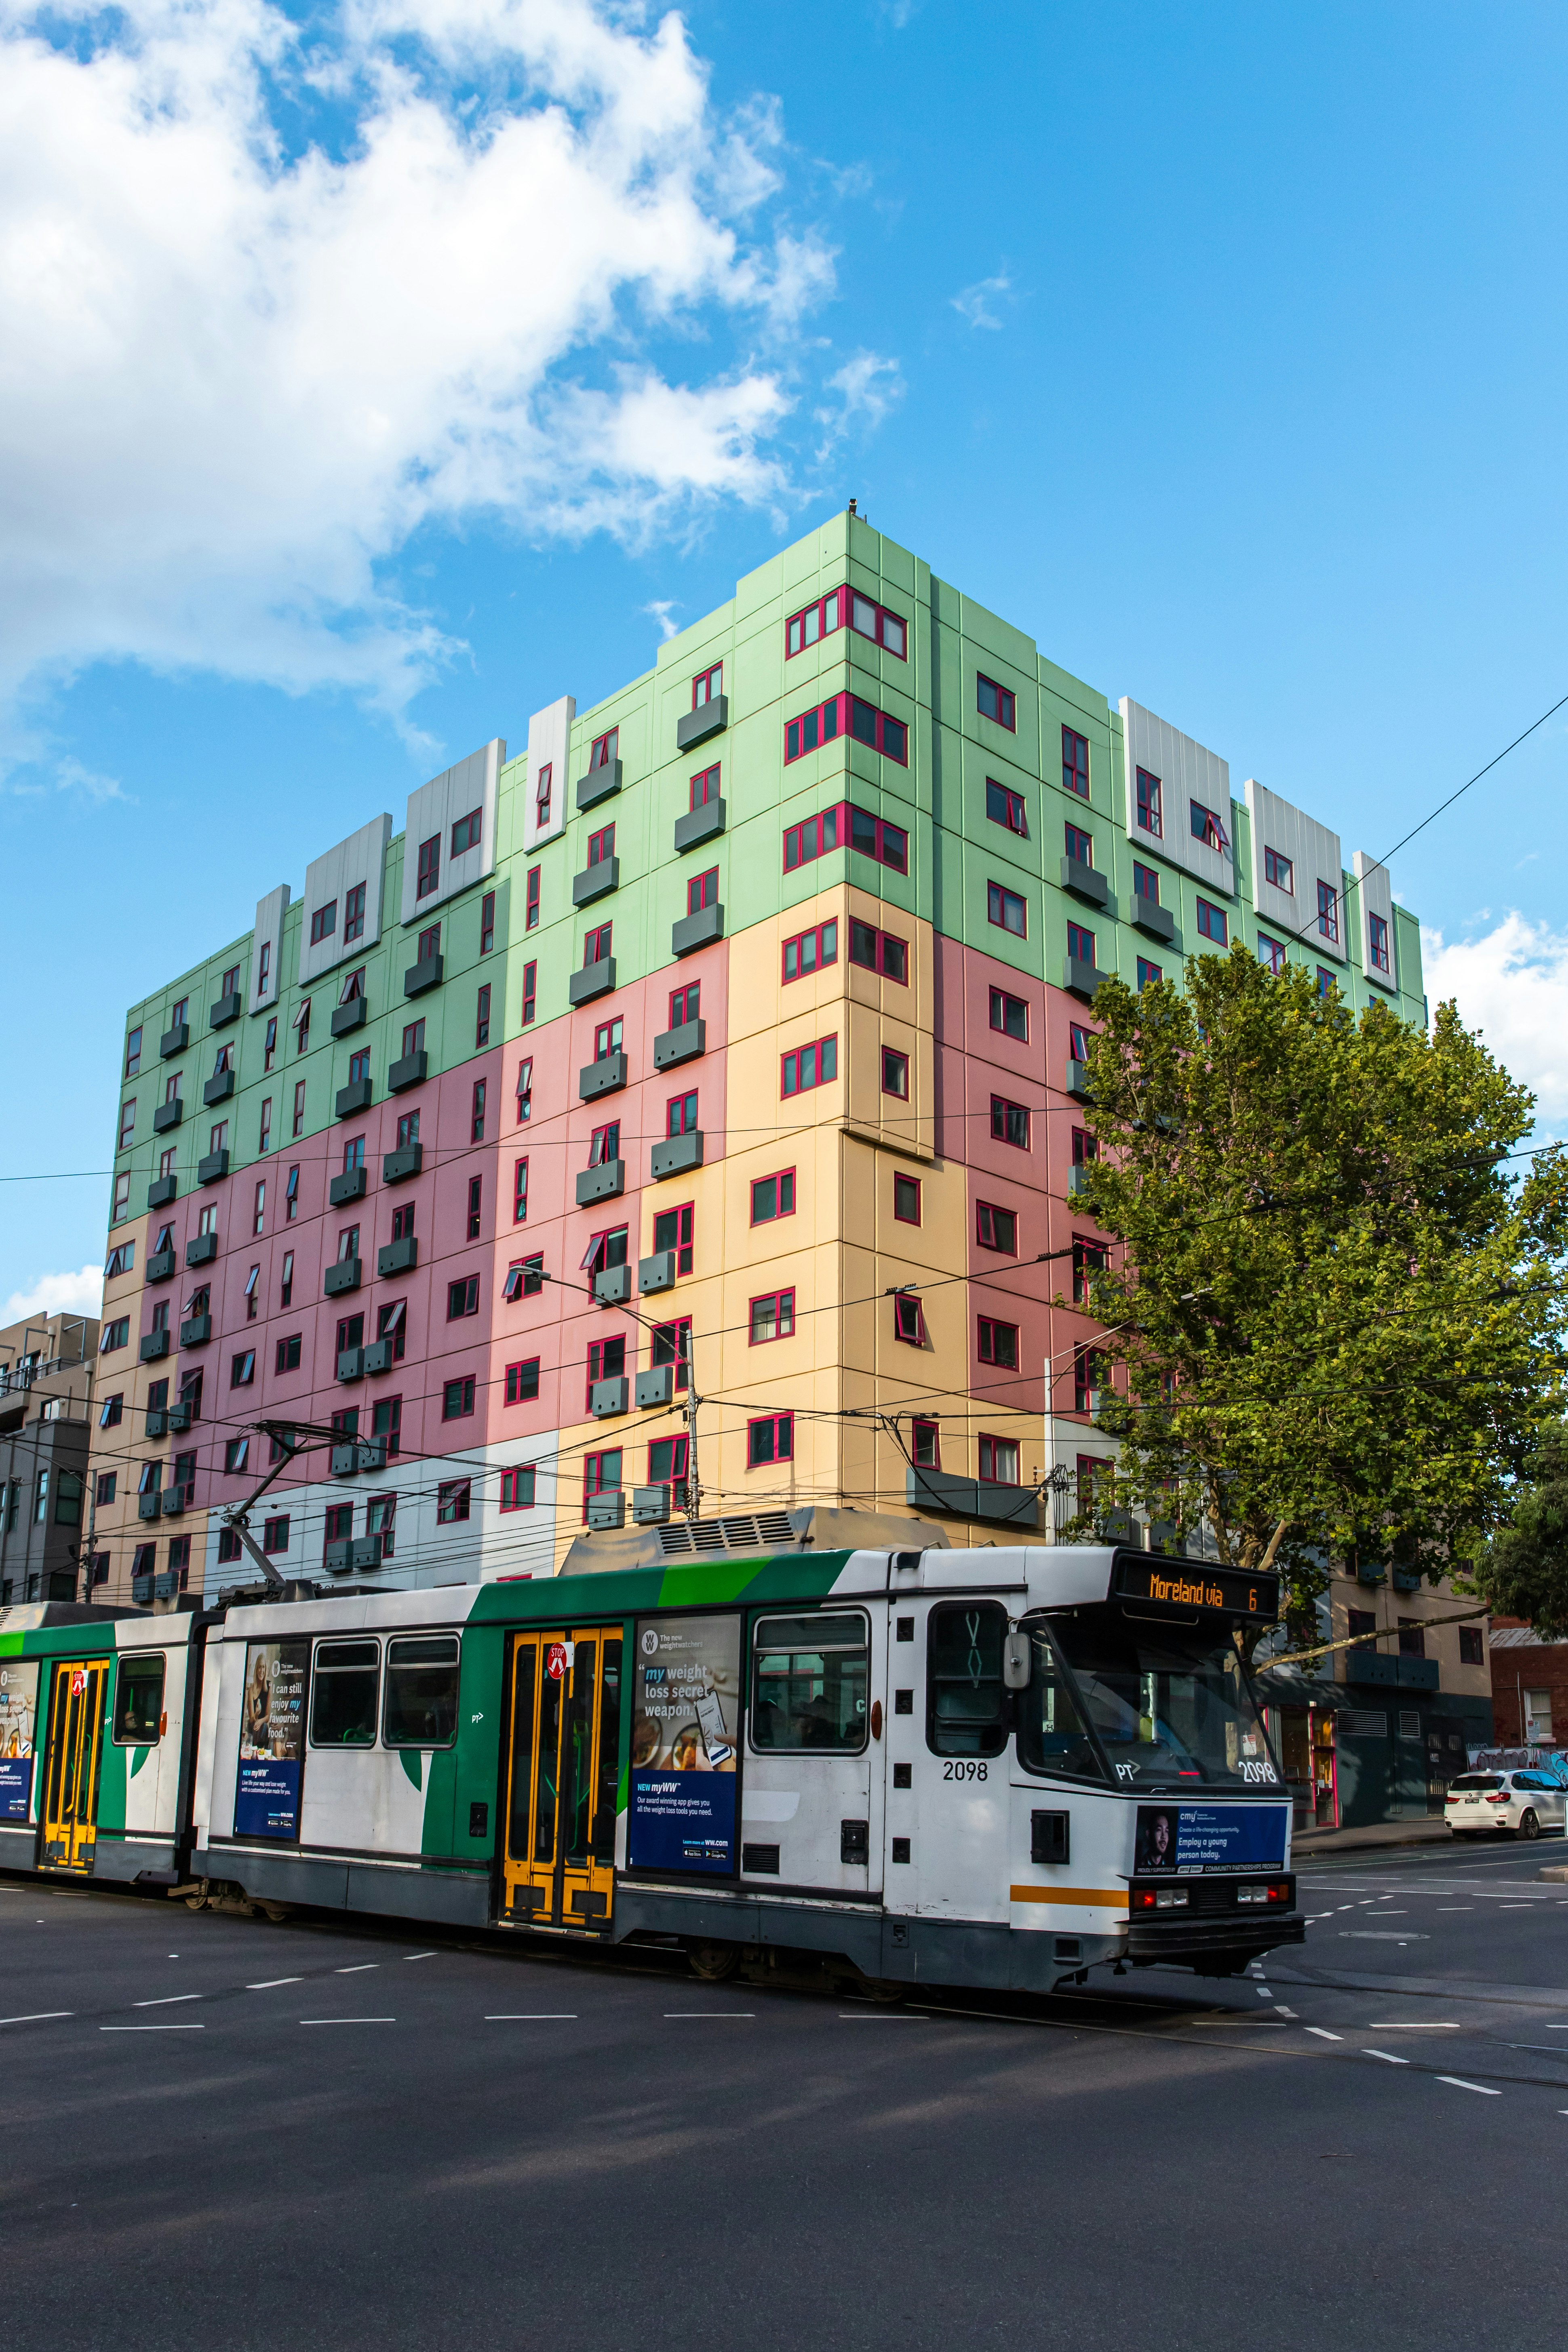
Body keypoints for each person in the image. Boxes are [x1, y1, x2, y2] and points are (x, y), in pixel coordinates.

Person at [1136, 1807, 1177, 1872]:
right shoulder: (1140, 1865)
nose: (1164, 1836)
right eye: (1159, 1830)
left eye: (1166, 1831)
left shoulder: (1171, 1866)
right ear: (1149, 1834)